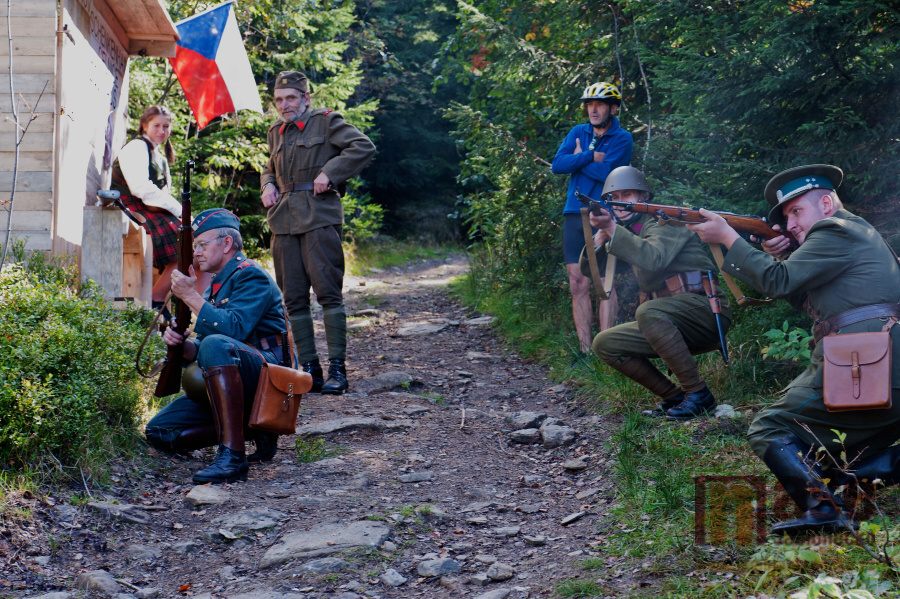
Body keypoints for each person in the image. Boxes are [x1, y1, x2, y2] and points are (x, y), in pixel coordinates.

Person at [688, 164, 900, 534]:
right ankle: (851, 484)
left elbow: (777, 281)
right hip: (882, 363)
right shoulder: (854, 234)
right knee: (825, 454)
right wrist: (782, 257)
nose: (790, 225)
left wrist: (727, 236)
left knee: (770, 427)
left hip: (869, 362)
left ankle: (824, 510)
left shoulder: (835, 229)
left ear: (826, 204)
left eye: (796, 211)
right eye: (786, 218)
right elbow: (801, 296)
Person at [144, 209, 291, 484]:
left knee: (216, 343)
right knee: (159, 431)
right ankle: (255, 429)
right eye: (195, 246)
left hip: (268, 379)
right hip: (233, 378)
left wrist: (190, 296)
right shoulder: (216, 284)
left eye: (202, 244)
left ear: (226, 244)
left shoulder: (251, 276)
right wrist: (183, 345)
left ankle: (233, 457)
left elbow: (233, 329)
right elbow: (204, 346)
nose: (196, 252)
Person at [581, 166, 730, 420]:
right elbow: (590, 270)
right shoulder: (629, 232)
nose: (619, 202)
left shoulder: (666, 220)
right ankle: (675, 397)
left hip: (705, 310)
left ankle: (698, 395)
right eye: (614, 198)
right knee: (604, 343)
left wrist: (613, 230)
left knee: (647, 311)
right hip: (665, 321)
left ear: (643, 196)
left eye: (626, 195)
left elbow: (654, 258)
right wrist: (601, 236)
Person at [261, 71, 376, 395]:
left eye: (291, 98)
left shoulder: (326, 122)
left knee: (328, 292)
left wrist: (329, 172)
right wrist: (267, 183)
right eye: (279, 99)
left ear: (305, 98)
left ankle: (338, 370)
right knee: (293, 298)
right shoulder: (275, 131)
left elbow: (362, 146)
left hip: (319, 216)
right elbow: (270, 166)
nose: (285, 104)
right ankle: (311, 371)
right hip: (284, 222)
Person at [552, 82, 634, 355]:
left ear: (613, 108)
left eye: (599, 104)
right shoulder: (578, 132)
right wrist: (589, 156)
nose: (593, 109)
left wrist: (578, 159)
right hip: (573, 213)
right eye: (589, 104)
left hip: (603, 215)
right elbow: (558, 165)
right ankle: (585, 352)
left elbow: (608, 173)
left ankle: (606, 350)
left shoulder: (622, 138)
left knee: (605, 283)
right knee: (577, 282)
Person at [111, 105, 183, 307]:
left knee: (194, 240)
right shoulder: (136, 147)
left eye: (166, 126)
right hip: (130, 209)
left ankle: (194, 305)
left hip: (147, 210)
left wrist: (182, 216)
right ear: (144, 126)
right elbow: (140, 188)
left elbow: (164, 195)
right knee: (188, 242)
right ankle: (156, 297)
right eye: (157, 125)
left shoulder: (161, 159)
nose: (162, 131)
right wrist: (181, 211)